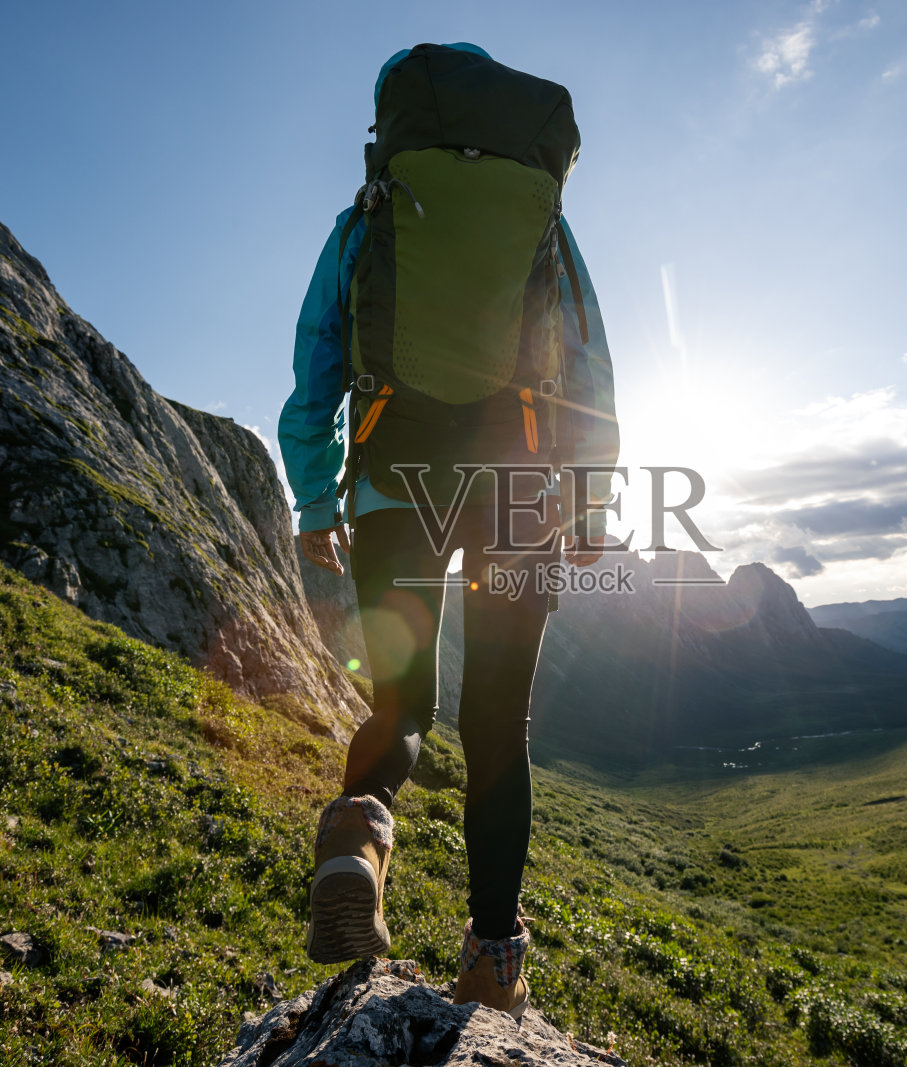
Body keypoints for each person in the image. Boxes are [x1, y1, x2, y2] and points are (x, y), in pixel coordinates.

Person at [278, 42, 618, 1019]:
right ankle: (493, 960)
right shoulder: (547, 233)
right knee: (496, 728)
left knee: (406, 703)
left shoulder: (365, 223)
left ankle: (358, 836)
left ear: (396, 132)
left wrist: (315, 500)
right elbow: (590, 370)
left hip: (393, 482)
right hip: (518, 498)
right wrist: (589, 502)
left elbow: (314, 370)